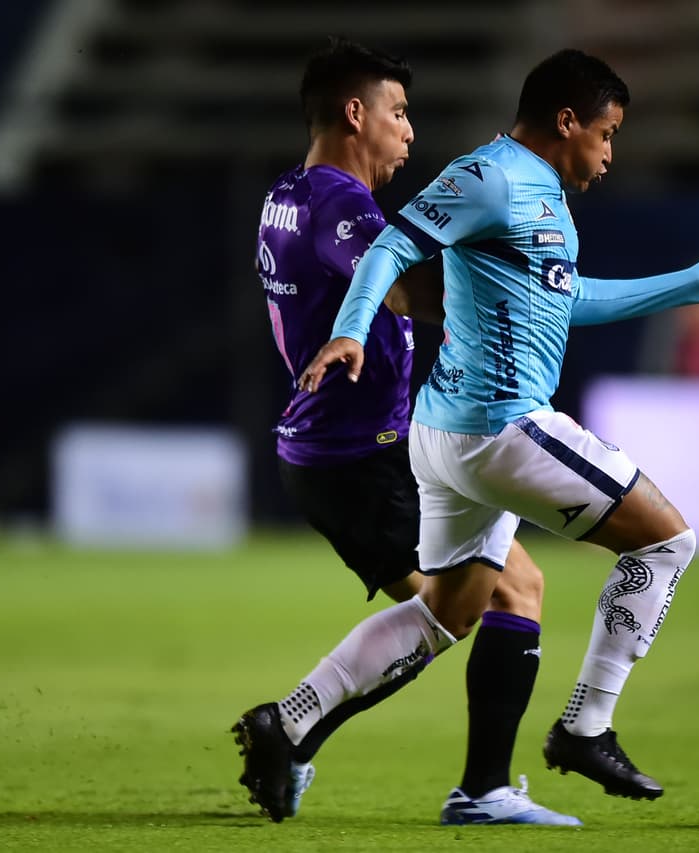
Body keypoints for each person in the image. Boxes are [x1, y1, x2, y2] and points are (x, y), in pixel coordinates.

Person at [296, 47, 699, 806]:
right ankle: (586, 727)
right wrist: (350, 330)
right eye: (606, 133)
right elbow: (393, 244)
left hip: (452, 436)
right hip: (499, 427)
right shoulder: (491, 175)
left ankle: (294, 720)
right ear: (566, 122)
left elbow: (574, 301)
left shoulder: (546, 197)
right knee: (668, 540)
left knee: (444, 613)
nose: (609, 151)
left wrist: (690, 284)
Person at [231, 36, 579, 827]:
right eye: (398, 112)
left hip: (346, 449)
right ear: (356, 114)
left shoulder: (285, 193)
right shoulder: (341, 205)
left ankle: (297, 733)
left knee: (494, 592)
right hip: (360, 456)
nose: (409, 131)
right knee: (491, 596)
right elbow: (404, 284)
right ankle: (313, 734)